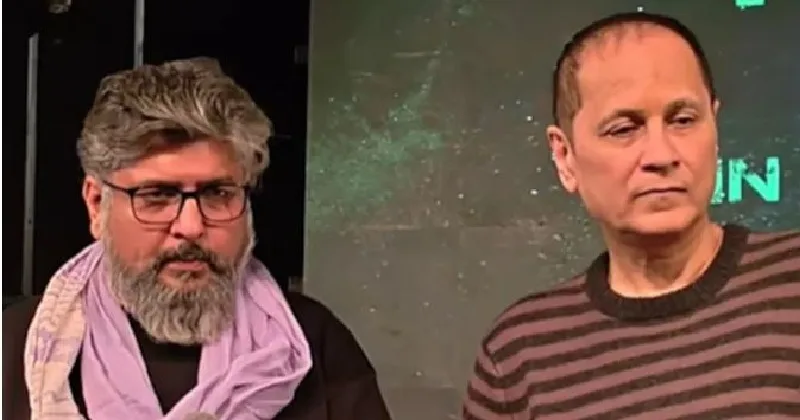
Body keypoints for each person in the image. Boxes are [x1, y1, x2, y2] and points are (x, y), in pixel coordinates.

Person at [3, 57, 391, 420]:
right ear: (95, 204)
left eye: (217, 194)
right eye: (157, 196)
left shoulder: (314, 347)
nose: (190, 226)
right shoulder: (14, 348)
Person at [462, 12, 800, 420]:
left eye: (683, 120)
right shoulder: (518, 357)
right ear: (564, 156)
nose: (661, 154)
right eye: (624, 129)